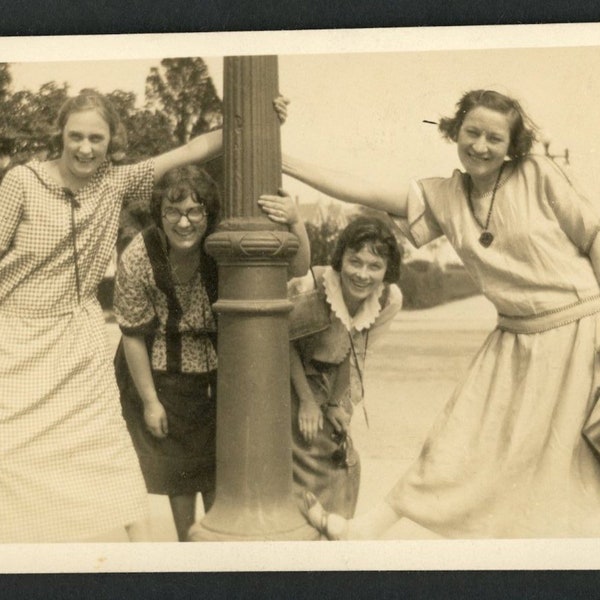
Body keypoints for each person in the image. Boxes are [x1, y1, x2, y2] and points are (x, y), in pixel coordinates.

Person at [284, 89, 600, 539]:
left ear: (512, 145)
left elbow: (594, 238)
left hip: (581, 329)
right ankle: (367, 530)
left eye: (495, 138)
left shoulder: (538, 172)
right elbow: (366, 188)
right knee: (457, 438)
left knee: (568, 464)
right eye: (472, 132)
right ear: (455, 131)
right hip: (513, 337)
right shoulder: (446, 196)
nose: (481, 146)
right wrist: (287, 162)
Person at [0, 89, 288, 543]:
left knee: (108, 450)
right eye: (76, 136)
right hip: (16, 335)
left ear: (112, 141)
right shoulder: (21, 182)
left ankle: (146, 566)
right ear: (60, 134)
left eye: (97, 138)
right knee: (11, 454)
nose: (85, 148)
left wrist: (260, 120)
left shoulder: (114, 182)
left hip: (80, 334)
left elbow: (194, 150)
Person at [114, 165, 310, 542]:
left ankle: (218, 551)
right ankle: (189, 549)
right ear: (160, 214)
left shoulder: (222, 244)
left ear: (208, 213)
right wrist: (150, 401)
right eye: (173, 212)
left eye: (195, 211)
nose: (184, 223)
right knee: (179, 475)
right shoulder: (140, 254)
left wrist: (295, 222)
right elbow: (132, 334)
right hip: (160, 374)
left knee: (221, 471)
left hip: (222, 373)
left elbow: (298, 266)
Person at [275, 215, 402, 519]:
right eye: (354, 261)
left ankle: (333, 540)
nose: (362, 274)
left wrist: (335, 403)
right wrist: (307, 401)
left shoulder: (388, 299)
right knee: (306, 458)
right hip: (288, 378)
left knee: (343, 460)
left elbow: (356, 347)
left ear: (387, 271)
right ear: (340, 258)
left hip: (329, 382)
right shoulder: (314, 287)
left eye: (375, 266)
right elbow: (282, 341)